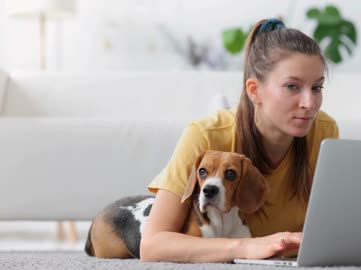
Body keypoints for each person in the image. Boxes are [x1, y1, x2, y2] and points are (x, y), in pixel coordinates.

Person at [140, 18, 339, 263]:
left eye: (317, 88)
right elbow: (152, 245)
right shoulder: (204, 135)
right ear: (255, 90)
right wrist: (243, 247)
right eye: (292, 86)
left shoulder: (324, 132)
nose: (309, 104)